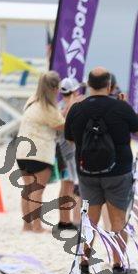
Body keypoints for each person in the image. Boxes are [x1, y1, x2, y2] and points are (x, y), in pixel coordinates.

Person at [64, 67, 138, 274]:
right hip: (118, 171)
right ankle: (118, 265)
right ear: (110, 85)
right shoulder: (120, 106)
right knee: (118, 219)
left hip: (87, 172)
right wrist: (129, 110)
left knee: (89, 220)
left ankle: (84, 263)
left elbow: (70, 139)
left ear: (88, 85)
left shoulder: (77, 108)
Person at [16, 71, 64, 233]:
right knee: (37, 191)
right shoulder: (49, 108)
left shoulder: (31, 101)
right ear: (55, 88)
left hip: (22, 151)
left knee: (28, 189)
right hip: (40, 153)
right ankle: (37, 226)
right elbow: (62, 126)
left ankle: (26, 226)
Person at [57, 76, 83, 230]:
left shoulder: (59, 106)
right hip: (70, 152)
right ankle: (75, 220)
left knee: (66, 186)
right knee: (76, 187)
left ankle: (65, 220)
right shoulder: (69, 107)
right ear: (74, 92)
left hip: (61, 151)